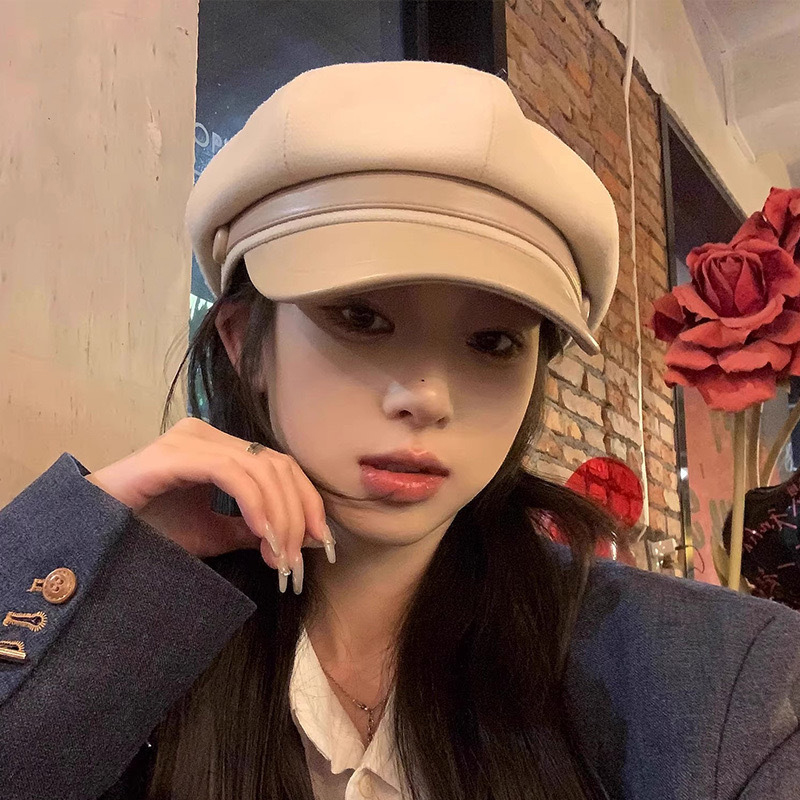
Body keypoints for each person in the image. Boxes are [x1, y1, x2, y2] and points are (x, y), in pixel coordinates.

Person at [1, 60, 798, 800]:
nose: (426, 396)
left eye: (493, 342)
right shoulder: (128, 638)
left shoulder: (725, 683)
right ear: (245, 343)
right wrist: (85, 554)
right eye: (361, 317)